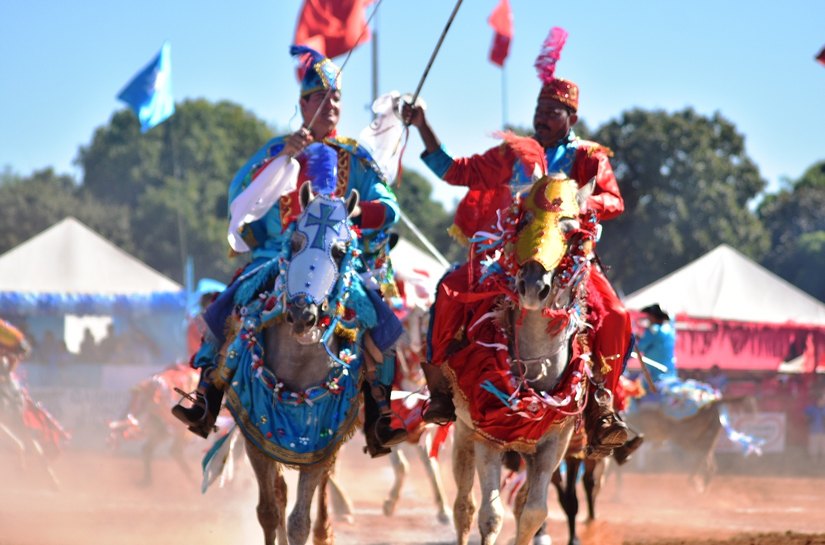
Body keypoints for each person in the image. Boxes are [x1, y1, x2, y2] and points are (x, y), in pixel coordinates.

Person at [172, 45, 407, 456]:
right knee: (232, 300)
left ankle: (378, 411)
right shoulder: (278, 151)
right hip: (281, 256)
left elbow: (389, 208)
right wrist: (284, 157)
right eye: (321, 96)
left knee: (378, 315)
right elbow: (239, 198)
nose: (330, 104)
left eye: (336, 97)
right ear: (302, 104)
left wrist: (353, 215)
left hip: (338, 262)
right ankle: (207, 396)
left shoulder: (355, 156)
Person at [403, 68, 632, 458]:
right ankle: (441, 388)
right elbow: (455, 171)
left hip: (569, 264)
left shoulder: (589, 157)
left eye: (552, 111)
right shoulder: (515, 153)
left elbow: (615, 201)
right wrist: (423, 126)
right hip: (509, 260)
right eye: (538, 109)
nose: (541, 117)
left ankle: (601, 407)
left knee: (615, 315)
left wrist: (578, 202)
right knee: (448, 290)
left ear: (571, 118)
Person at [636, 303, 677, 387]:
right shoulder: (669, 330)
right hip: (670, 374)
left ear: (653, 317)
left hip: (655, 377)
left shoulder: (654, 330)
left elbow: (640, 346)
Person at [804, 390, 825, 464]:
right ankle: (813, 462)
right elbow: (805, 415)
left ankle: (823, 462)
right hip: (814, 431)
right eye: (822, 399)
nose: (822, 401)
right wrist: (808, 419)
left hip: (823, 432)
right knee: (813, 447)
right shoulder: (811, 408)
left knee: (823, 448)